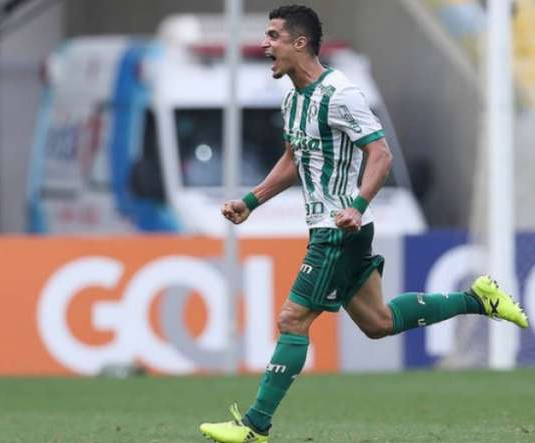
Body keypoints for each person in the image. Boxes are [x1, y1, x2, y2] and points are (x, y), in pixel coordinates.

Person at [199, 5, 528, 443]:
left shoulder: (340, 93)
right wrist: (250, 201)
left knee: (293, 319)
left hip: (341, 227)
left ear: (300, 43)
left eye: (274, 36)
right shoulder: (294, 98)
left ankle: (255, 426)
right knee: (378, 322)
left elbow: (381, 154)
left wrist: (356, 205)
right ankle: (477, 299)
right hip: (330, 226)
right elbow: (294, 159)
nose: (265, 44)